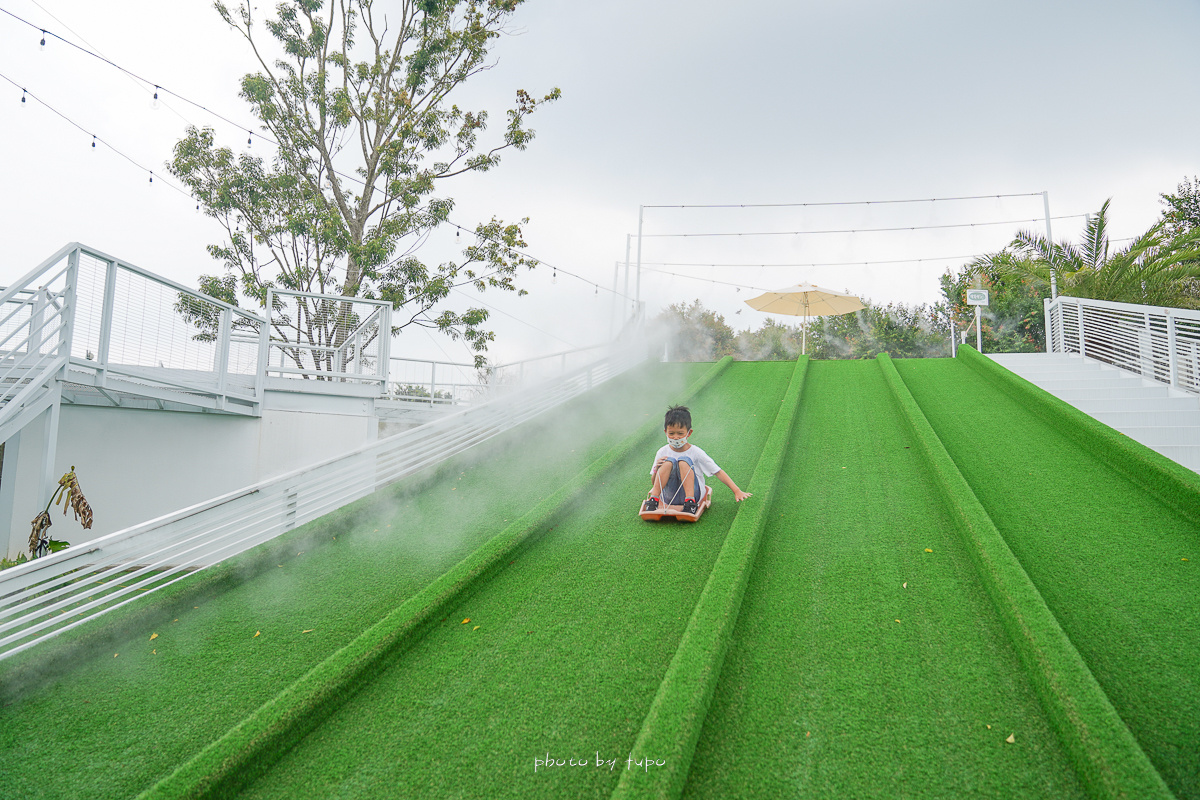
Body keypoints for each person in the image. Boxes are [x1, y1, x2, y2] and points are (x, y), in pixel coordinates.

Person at [643, 405, 752, 515]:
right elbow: (654, 483)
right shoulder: (662, 452)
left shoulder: (695, 452)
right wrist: (657, 469)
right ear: (666, 432)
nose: (675, 437)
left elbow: (717, 471)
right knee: (667, 462)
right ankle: (653, 500)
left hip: (693, 495)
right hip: (669, 496)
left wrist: (737, 491)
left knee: (684, 460)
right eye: (671, 433)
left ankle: (690, 503)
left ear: (689, 433)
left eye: (680, 433)